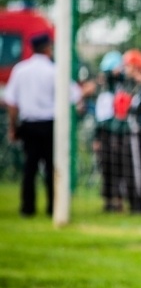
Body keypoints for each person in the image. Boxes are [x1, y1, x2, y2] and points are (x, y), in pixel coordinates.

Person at [4, 33, 91, 217]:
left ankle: (27, 208)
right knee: (52, 167)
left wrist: (13, 127)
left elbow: (11, 103)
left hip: (28, 125)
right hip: (50, 125)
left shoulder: (20, 70)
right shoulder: (55, 71)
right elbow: (75, 95)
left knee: (29, 168)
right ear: (48, 49)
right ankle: (54, 207)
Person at [118, 48, 141, 214]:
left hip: (138, 133)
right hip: (128, 132)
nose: (126, 70)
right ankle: (133, 202)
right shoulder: (130, 86)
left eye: (129, 66)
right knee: (128, 168)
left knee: (138, 168)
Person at [93, 50, 126, 212]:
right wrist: (97, 138)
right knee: (105, 166)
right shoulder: (104, 90)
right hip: (105, 132)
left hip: (118, 132)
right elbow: (100, 116)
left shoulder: (123, 87)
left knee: (117, 166)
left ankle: (119, 199)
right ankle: (108, 200)